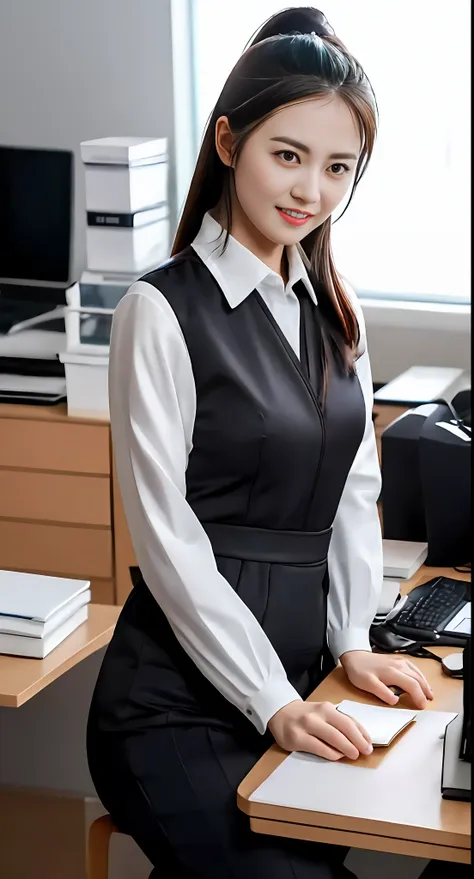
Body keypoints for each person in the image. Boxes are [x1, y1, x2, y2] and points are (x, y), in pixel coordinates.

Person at [86, 7, 433, 878]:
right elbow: (168, 545)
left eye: (337, 167)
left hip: (309, 681)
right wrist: (272, 701)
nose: (311, 190)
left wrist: (352, 639)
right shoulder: (158, 312)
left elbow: (355, 497)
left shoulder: (338, 315)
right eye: (289, 155)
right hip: (178, 706)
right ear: (231, 142)